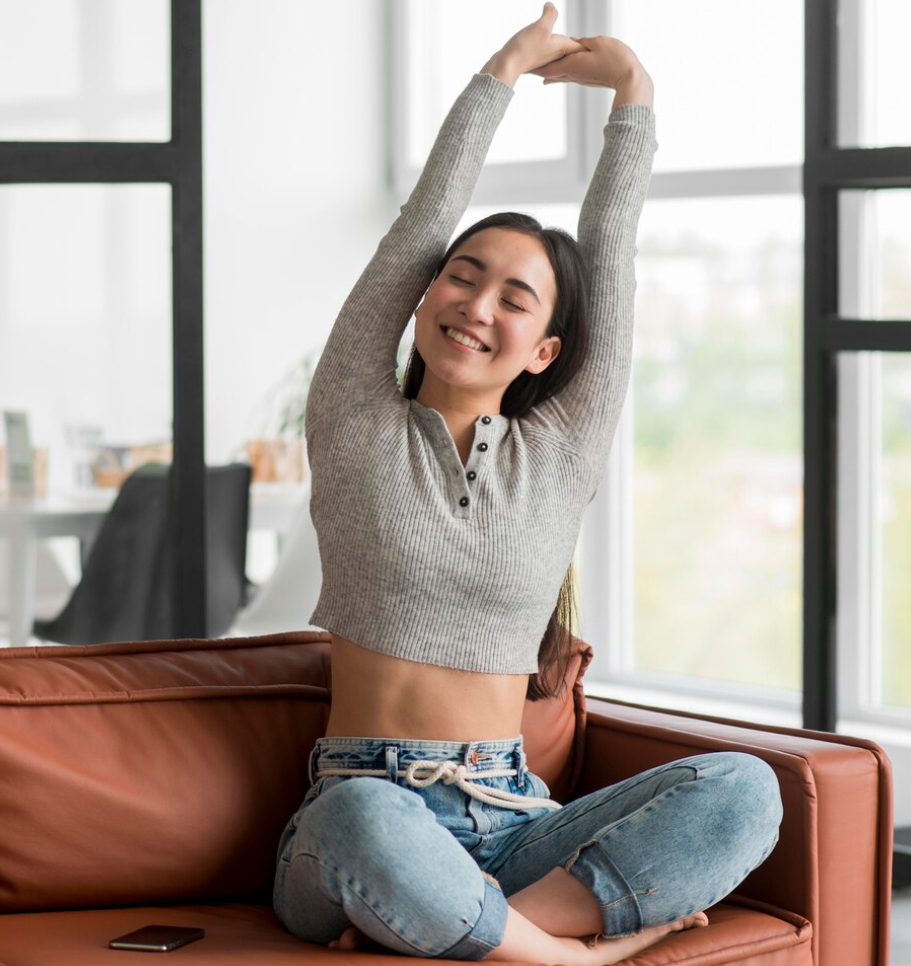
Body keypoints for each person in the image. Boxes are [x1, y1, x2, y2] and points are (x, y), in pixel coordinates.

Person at [271, 4, 782, 963]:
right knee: (364, 820)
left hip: (513, 826)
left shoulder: (561, 452)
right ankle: (568, 957)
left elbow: (613, 253)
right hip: (361, 807)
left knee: (746, 789)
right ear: (425, 297)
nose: (476, 305)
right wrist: (501, 72)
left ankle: (473, 934)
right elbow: (415, 226)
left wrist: (635, 98)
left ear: (546, 348)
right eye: (463, 278)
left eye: (515, 298)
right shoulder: (354, 421)